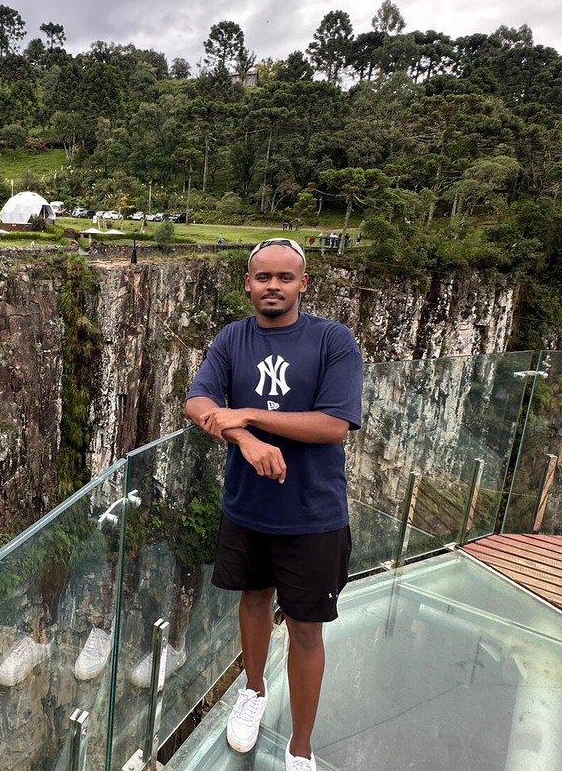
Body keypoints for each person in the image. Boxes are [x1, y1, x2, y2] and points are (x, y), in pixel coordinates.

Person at [185, 237, 362, 767]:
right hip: (248, 506)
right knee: (253, 599)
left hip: (312, 514)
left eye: (285, 277)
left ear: (303, 284)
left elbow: (334, 426)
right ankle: (254, 691)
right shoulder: (233, 338)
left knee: (308, 627)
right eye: (263, 277)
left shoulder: (333, 341)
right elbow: (198, 401)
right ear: (248, 283)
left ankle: (301, 745)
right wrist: (246, 439)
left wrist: (250, 414)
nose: (274, 286)